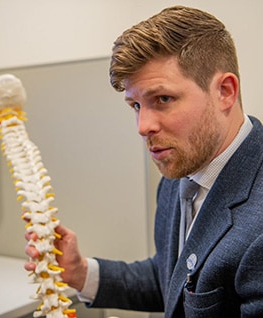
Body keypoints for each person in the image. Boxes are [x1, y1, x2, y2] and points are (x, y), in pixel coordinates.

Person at [25, 5, 263, 317]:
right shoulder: (181, 177)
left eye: (163, 99)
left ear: (224, 91)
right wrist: (81, 272)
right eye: (136, 104)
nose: (143, 126)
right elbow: (174, 278)